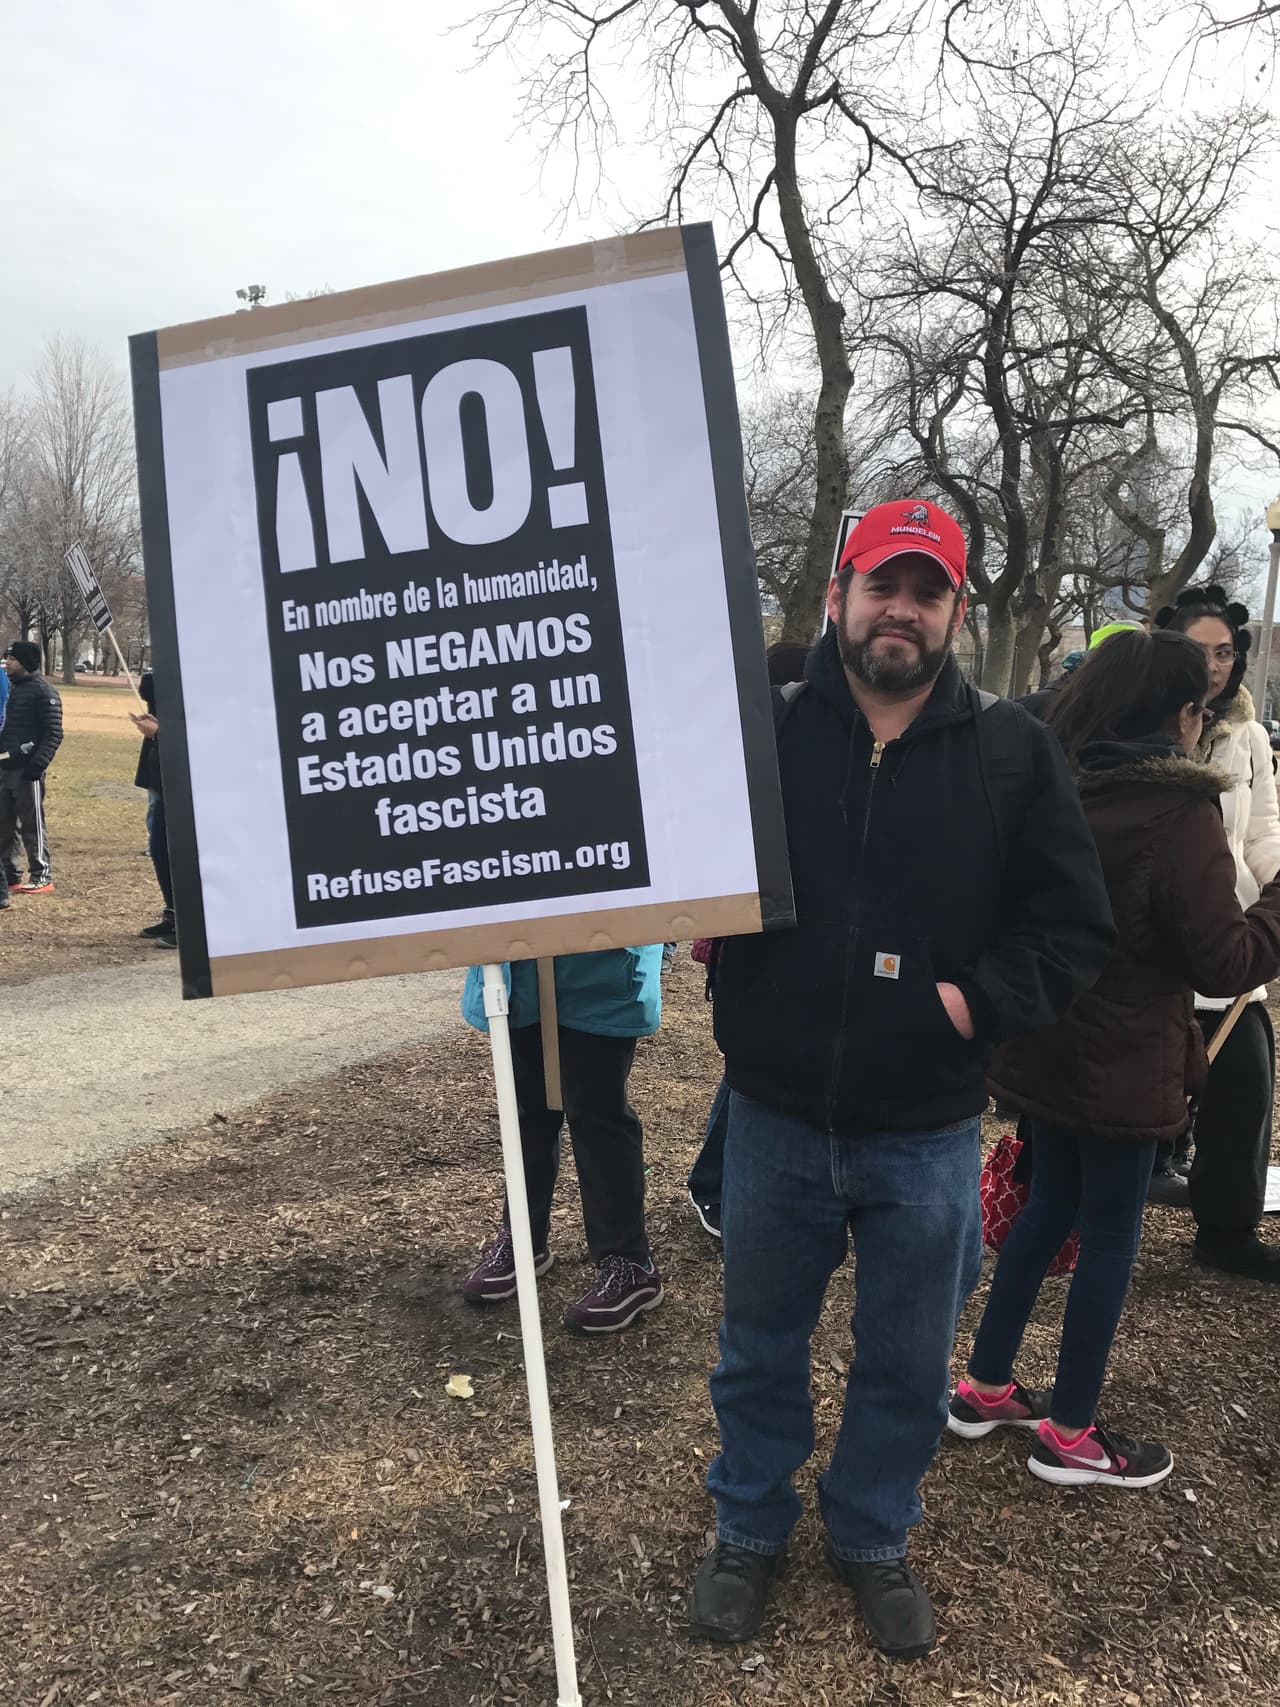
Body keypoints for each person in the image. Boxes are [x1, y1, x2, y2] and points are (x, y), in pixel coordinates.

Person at [689, 499, 1114, 1658]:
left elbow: (1071, 929)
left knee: (905, 1358)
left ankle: (872, 1531)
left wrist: (965, 1003)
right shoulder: (765, 732)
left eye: (926, 592)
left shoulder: (1013, 753)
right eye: (882, 584)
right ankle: (749, 1522)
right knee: (757, 1345)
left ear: (955, 614)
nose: (900, 610)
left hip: (926, 1128)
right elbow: (681, 848)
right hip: (771, 1112)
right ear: (837, 595)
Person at [954, 629, 1280, 1488]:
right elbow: (1227, 961)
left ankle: (985, 1383)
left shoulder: (1056, 782)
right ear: (1181, 715)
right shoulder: (1179, 813)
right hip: (1127, 1061)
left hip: (1047, 1043)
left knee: (1049, 1203)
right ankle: (1070, 1431)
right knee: (1108, 1233)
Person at [1150, 586, 1280, 1274]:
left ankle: (1226, 1229)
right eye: (1197, 651)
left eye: (1225, 651)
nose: (1213, 664)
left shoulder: (1249, 735)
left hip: (1225, 942)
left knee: (1246, 1078)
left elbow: (1261, 830)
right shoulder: (1134, 723)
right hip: (1149, 942)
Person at [459, 947, 665, 1333]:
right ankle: (523, 1240)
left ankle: (629, 1263)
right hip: (516, 972)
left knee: (597, 1114)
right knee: (528, 1113)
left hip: (601, 968)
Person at [687, 639, 812, 1239]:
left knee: (748, 1069)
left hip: (751, 945)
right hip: (750, 944)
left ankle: (720, 1181)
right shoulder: (761, 758)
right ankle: (713, 1182)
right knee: (744, 1072)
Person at [1, 641, 63, 896]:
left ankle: (41, 874)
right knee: (4, 826)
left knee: (31, 824)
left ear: (26, 662)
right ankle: (10, 875)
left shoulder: (43, 692)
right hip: (4, 767)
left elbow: (54, 732)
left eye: (12, 659)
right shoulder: (9, 690)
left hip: (27, 771)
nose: (7, 663)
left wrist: (37, 764)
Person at [130, 674, 176, 949]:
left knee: (173, 852)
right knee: (159, 849)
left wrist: (159, 734)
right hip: (160, 780)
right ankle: (172, 915)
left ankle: (187, 922)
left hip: (179, 786)